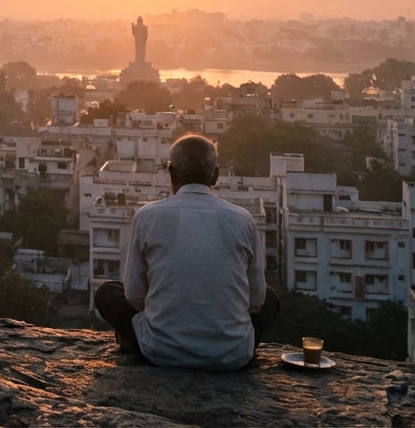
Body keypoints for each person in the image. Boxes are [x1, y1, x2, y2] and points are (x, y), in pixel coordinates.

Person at [95, 134, 279, 370]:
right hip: (232, 355)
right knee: (271, 297)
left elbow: (134, 296)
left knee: (107, 292)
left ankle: (133, 340)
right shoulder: (243, 219)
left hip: (160, 350)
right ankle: (230, 340)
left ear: (171, 173)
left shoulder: (147, 216)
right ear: (215, 175)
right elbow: (256, 301)